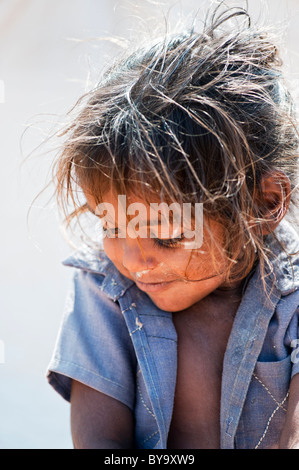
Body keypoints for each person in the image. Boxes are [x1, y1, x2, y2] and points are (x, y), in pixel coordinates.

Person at [47, 3, 299, 449]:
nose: (134, 259)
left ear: (265, 204)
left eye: (166, 236)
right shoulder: (106, 291)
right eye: (111, 227)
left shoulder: (292, 301)